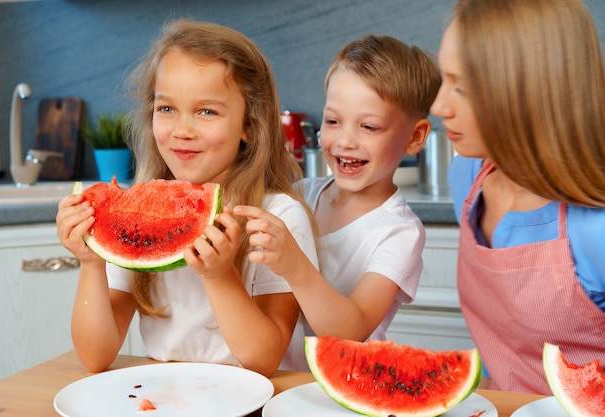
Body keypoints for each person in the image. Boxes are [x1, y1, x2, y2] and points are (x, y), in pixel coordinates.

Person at [56, 18, 318, 377]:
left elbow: (264, 359)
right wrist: (91, 263)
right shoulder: (138, 217)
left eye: (206, 111)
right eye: (166, 109)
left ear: (248, 126)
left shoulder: (276, 218)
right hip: (167, 399)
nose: (181, 130)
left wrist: (219, 276)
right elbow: (95, 356)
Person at [234, 34, 442, 370]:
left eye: (369, 126)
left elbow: (351, 332)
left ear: (415, 137)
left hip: (345, 387)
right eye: (333, 121)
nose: (345, 140)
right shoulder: (298, 195)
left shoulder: (400, 232)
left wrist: (295, 265)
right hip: (275, 381)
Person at [431, 0, 605, 394]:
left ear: (529, 91)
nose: (439, 105)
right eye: (444, 79)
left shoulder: (596, 229)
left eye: (462, 87)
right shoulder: (466, 178)